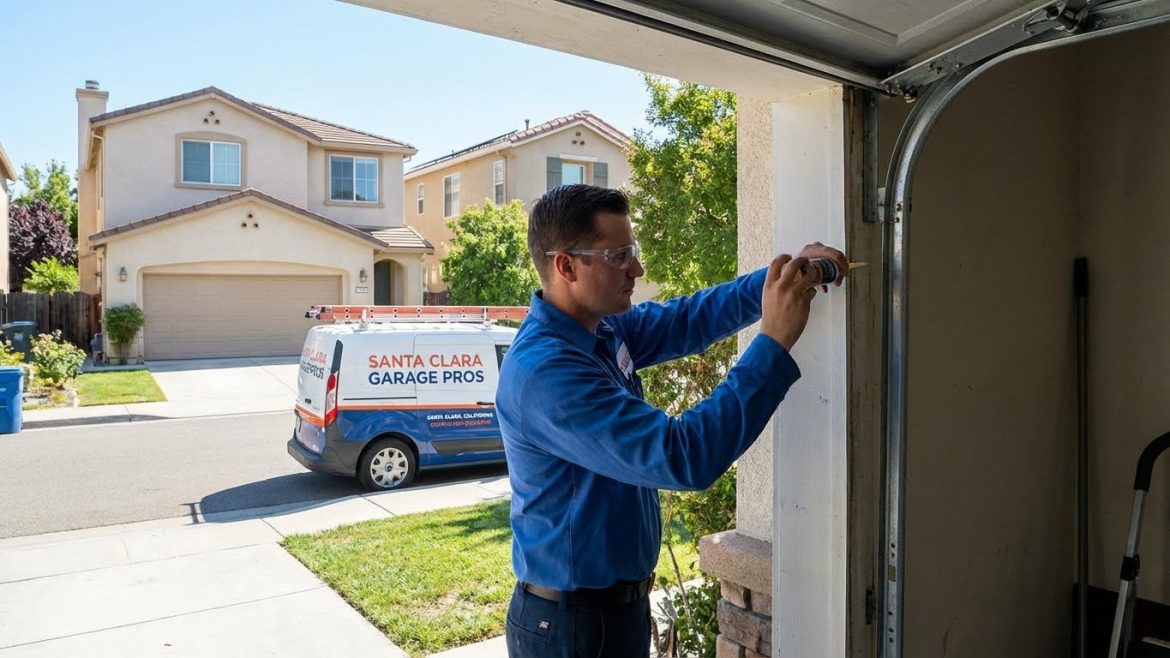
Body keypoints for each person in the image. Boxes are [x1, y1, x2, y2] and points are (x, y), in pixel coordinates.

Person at [496, 184, 847, 657]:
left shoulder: (602, 329)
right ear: (566, 266)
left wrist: (781, 280)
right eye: (619, 256)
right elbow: (683, 457)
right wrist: (773, 343)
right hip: (571, 627)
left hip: (610, 612)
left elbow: (689, 319)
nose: (637, 269)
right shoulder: (546, 373)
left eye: (633, 251)